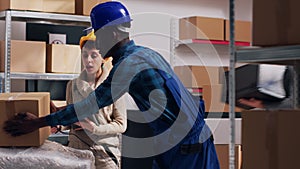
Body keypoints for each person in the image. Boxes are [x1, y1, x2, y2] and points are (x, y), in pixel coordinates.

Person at [3, 1, 220, 169]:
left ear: (113, 34)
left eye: (98, 35)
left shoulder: (130, 65)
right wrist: (60, 112)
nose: (96, 41)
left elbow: (92, 104)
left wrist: (36, 123)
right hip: (178, 142)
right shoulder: (144, 53)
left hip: (188, 147)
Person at [51, 31, 126, 169]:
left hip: (105, 154)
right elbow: (70, 118)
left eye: (94, 55)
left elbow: (121, 124)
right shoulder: (72, 85)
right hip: (76, 151)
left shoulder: (115, 86)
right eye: (85, 55)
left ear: (104, 58)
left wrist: (95, 128)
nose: (88, 60)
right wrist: (59, 125)